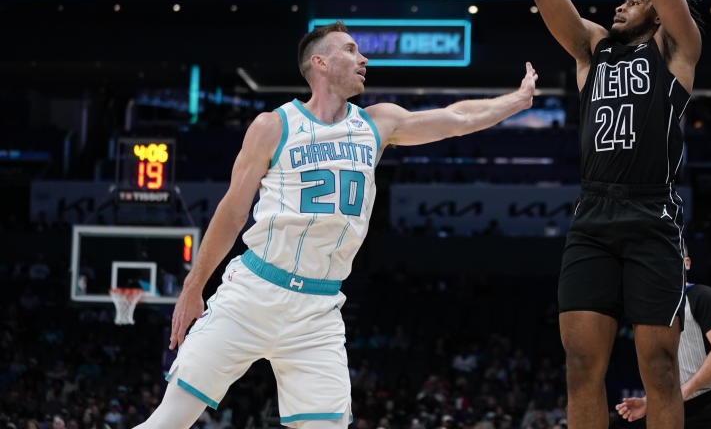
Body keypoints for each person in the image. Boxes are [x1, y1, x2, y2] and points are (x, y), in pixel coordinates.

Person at [134, 21, 539, 429]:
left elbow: (456, 118)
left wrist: (516, 101)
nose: (364, 58)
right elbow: (232, 212)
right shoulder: (273, 126)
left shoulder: (378, 124)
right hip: (252, 293)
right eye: (350, 50)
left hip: (318, 310)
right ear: (320, 62)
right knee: (171, 420)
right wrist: (193, 286)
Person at [509, 0, 702, 429]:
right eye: (621, 1)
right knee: (579, 366)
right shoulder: (592, 49)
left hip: (652, 218)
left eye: (636, 0)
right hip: (593, 215)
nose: (623, 4)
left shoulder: (678, 49)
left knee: (661, 366)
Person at [615, 244, 711, 428]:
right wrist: (648, 402)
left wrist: (679, 394)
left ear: (687, 263)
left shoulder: (704, 296)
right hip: (672, 412)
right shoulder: (652, 312)